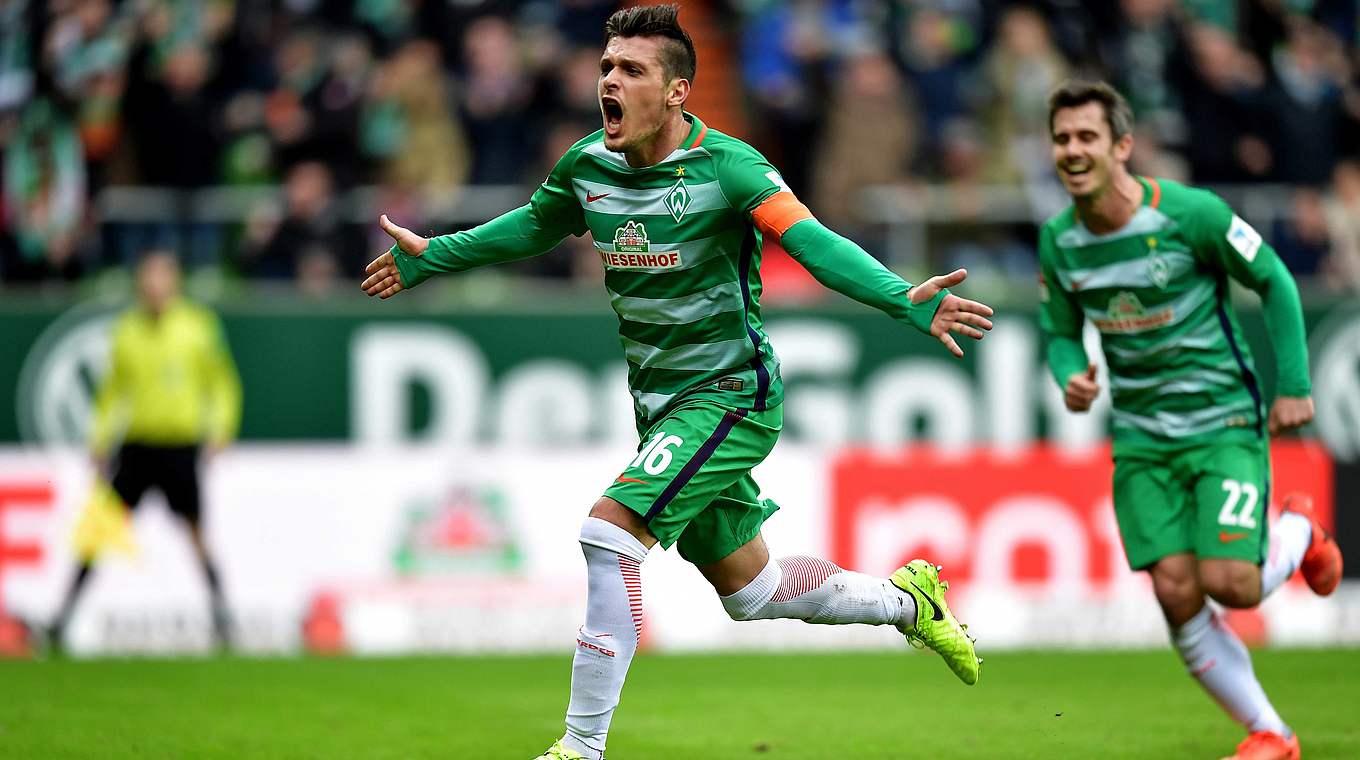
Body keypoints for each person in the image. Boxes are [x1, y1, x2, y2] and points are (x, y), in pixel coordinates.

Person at [361, 7, 990, 759]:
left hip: (732, 394)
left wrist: (899, 299)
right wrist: (436, 254)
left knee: (608, 531)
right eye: (605, 68)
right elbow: (534, 225)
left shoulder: (731, 167)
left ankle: (580, 747)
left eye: (631, 70)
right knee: (752, 593)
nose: (610, 81)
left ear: (678, 91)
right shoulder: (586, 165)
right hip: (662, 409)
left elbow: (810, 240)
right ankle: (906, 601)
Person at [1037, 80, 1343, 760]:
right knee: (1177, 592)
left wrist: (1293, 383)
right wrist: (1071, 376)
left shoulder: (1191, 213)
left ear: (1122, 146)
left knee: (1231, 582)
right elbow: (1060, 333)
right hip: (1142, 439)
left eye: (1087, 136)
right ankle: (1272, 733)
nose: (1073, 150)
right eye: (1062, 138)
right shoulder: (1059, 243)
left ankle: (1297, 530)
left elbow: (1275, 279)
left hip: (1222, 424)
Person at [49, 251, 242, 650]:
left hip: (180, 444)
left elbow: (222, 383)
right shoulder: (126, 331)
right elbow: (111, 391)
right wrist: (100, 439)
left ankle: (223, 617)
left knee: (195, 532)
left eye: (162, 278)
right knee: (100, 529)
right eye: (148, 279)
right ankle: (63, 617)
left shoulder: (198, 327)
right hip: (137, 445)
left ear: (174, 283)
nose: (155, 287)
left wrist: (221, 430)